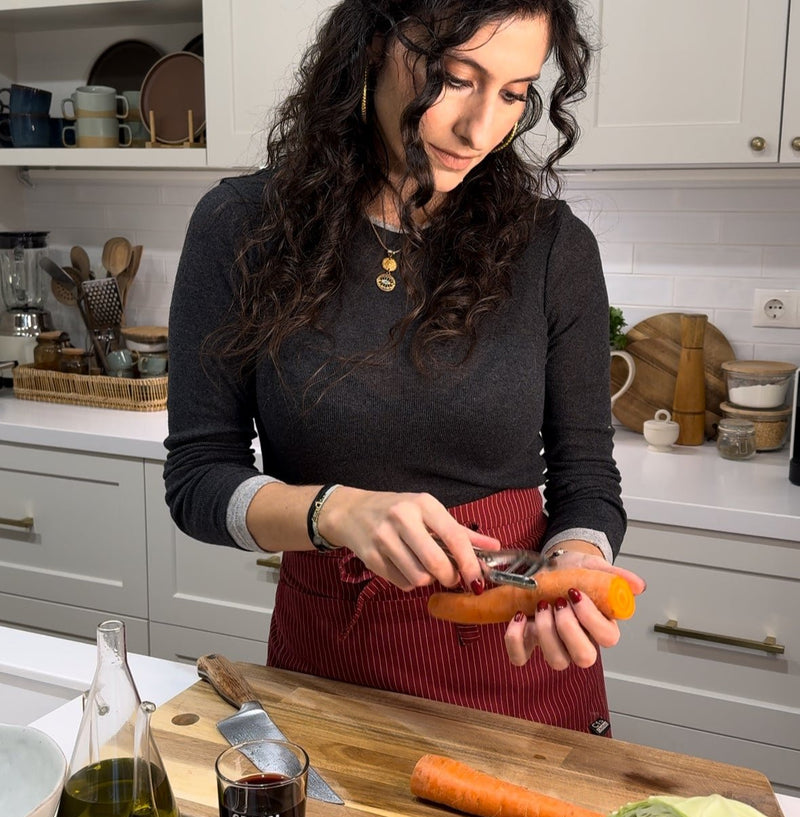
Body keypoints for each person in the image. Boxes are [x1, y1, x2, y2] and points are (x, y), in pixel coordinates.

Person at [164, 0, 646, 735]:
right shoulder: (241, 228)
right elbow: (199, 478)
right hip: (330, 660)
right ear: (371, 47)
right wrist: (335, 511)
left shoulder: (553, 247)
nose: (480, 129)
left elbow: (587, 478)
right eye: (455, 79)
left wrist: (573, 559)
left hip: (517, 665)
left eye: (514, 93)